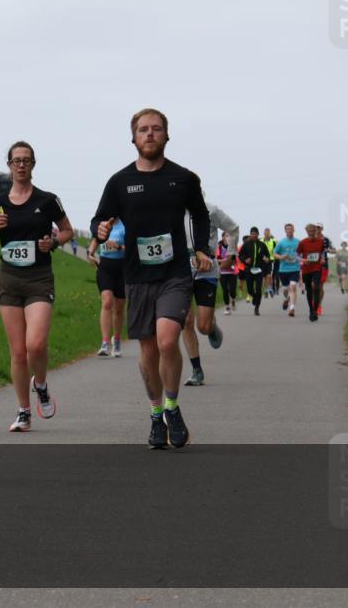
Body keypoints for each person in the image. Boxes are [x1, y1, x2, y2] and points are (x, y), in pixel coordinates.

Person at [90, 108, 211, 449]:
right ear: (133, 137)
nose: (150, 134)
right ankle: (156, 414)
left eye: (157, 129)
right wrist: (98, 229)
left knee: (167, 340)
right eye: (143, 129)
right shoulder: (120, 182)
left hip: (174, 273)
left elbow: (200, 215)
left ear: (167, 135)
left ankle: (172, 406)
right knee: (147, 349)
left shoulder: (184, 178)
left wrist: (201, 248)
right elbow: (100, 217)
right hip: (137, 275)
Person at [0, 141, 74, 432]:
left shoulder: (47, 200)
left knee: (36, 345)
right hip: (8, 280)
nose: (21, 165)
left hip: (38, 279)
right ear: (9, 165)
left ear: (33, 165)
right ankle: (23, 411)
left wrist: (54, 242)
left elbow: (68, 230)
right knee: (18, 352)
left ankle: (41, 384)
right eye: (16, 160)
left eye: (26, 160)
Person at [181, 203, 237, 386]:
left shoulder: (210, 210)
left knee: (202, 326)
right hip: (180, 270)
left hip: (207, 269)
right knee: (186, 320)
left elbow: (233, 228)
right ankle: (196, 370)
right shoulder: (171, 207)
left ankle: (211, 327)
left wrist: (231, 254)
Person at [87, 219, 126, 357]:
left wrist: (119, 247)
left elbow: (133, 248)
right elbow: (96, 239)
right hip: (105, 268)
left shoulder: (125, 224)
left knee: (119, 309)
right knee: (107, 301)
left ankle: (116, 340)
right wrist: (90, 253)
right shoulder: (102, 224)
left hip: (122, 270)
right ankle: (104, 343)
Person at [238, 227, 271, 316]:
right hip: (249, 270)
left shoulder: (262, 245)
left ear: (258, 234)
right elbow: (240, 255)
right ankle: (255, 298)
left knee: (258, 289)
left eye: (255, 234)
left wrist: (266, 259)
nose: (253, 235)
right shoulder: (246, 244)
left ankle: (257, 308)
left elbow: (267, 256)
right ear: (250, 234)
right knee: (250, 289)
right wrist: (245, 260)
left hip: (259, 270)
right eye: (252, 234)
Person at [297, 224, 325, 322]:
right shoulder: (303, 242)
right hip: (306, 269)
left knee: (316, 287)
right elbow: (296, 256)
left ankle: (315, 311)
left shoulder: (320, 242)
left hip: (317, 268)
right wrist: (303, 260)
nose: (312, 233)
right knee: (309, 291)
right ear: (307, 232)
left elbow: (322, 253)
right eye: (310, 231)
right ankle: (311, 309)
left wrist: (322, 258)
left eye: (313, 231)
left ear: (315, 231)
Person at [273, 223, 301, 317]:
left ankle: (292, 308)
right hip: (283, 269)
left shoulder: (298, 242)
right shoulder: (281, 242)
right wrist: (281, 257)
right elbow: (274, 254)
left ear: (294, 230)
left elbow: (302, 253)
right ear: (285, 231)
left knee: (293, 287)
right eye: (287, 229)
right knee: (285, 289)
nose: (289, 230)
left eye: (291, 229)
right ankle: (286, 299)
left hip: (295, 268)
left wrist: (300, 259)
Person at [315, 223, 335, 315]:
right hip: (312, 264)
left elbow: (334, 250)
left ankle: (318, 305)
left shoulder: (326, 239)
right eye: (316, 227)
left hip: (323, 265)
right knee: (313, 286)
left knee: (320, 286)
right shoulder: (311, 238)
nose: (317, 229)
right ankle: (314, 303)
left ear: (322, 229)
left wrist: (328, 250)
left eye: (319, 228)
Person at [217, 232, 238, 315]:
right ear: (223, 237)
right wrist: (225, 261)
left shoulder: (233, 247)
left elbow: (234, 259)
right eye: (226, 236)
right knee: (225, 290)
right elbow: (217, 259)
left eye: (229, 236)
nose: (228, 237)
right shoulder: (219, 247)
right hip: (222, 272)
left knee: (232, 290)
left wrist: (229, 261)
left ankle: (233, 299)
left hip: (232, 271)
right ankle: (227, 307)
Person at [262, 228, 278, 298]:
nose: (267, 234)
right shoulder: (261, 241)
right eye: (265, 233)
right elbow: (259, 251)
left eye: (268, 233)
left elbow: (276, 251)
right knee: (264, 277)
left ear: (270, 234)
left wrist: (274, 258)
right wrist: (263, 257)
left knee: (269, 276)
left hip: (270, 260)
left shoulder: (273, 241)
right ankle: (266, 290)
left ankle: (270, 288)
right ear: (264, 234)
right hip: (262, 261)